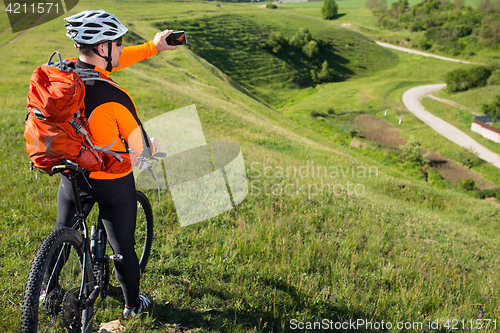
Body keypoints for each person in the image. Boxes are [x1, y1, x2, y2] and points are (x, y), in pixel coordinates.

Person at [56, 9, 176, 319]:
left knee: (62, 233)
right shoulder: (115, 97)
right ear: (101, 48)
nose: (122, 48)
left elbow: (112, 63)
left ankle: (45, 291)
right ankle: (132, 307)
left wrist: (153, 46)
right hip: (110, 180)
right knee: (123, 248)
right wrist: (153, 148)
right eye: (118, 43)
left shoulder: (61, 75)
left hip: (72, 173)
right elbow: (142, 151)